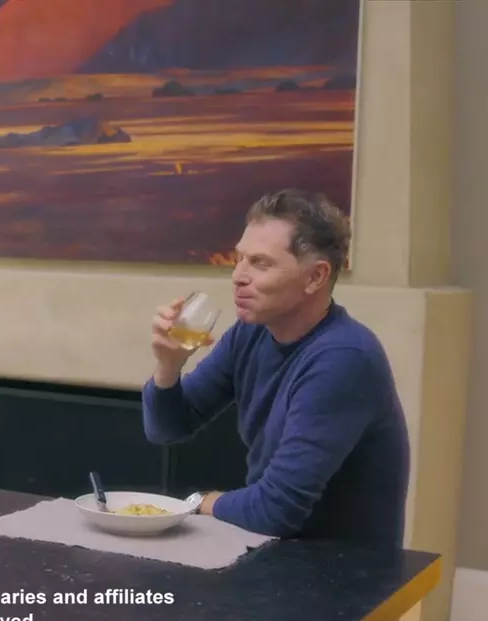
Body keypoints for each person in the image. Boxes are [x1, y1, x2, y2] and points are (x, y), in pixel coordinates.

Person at [142, 189, 409, 546]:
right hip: (276, 551)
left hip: (340, 569)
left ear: (315, 277)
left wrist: (200, 502)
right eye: (239, 258)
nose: (238, 276)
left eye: (260, 263)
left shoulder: (344, 358)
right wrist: (168, 369)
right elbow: (167, 429)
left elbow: (276, 510)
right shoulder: (250, 333)